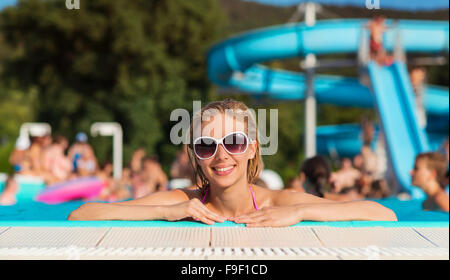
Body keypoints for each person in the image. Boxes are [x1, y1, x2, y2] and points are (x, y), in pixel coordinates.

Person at [68, 99, 396, 225]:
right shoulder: (183, 201)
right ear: (195, 155)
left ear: (252, 149)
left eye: (234, 143)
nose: (222, 155)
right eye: (206, 146)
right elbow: (81, 214)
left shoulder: (277, 201)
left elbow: (384, 213)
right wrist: (164, 212)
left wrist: (299, 211)